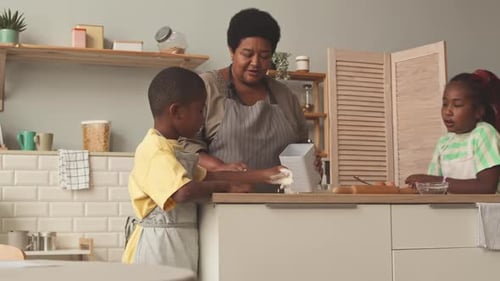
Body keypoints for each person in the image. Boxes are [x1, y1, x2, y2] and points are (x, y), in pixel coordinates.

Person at [121, 67, 289, 273]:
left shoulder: (175, 148)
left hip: (177, 242)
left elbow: (209, 175)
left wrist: (266, 175)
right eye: (200, 110)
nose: (202, 118)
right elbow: (183, 192)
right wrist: (228, 187)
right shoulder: (154, 149)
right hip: (157, 246)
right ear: (177, 112)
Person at [181, 8, 319, 192]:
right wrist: (220, 167)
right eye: (247, 54)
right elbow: (185, 146)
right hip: (222, 206)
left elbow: (301, 147)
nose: (255, 63)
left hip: (279, 206)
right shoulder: (207, 87)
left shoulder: (284, 95)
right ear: (232, 50)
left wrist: (310, 161)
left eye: (264, 56)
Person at [405, 69, 500, 193]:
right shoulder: (444, 142)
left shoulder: (484, 133)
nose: (448, 111)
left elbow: (487, 186)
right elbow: (434, 187)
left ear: (479, 111)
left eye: (457, 105)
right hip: (453, 212)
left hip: (482, 211)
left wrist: (438, 181)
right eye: (445, 104)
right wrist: (422, 185)